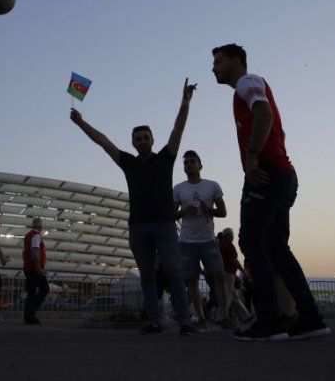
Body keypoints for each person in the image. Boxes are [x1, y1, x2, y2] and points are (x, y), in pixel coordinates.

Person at [210, 43, 329, 341]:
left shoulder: (247, 83)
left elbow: (264, 113)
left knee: (252, 242)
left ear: (237, 62)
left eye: (219, 61)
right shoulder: (251, 87)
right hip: (282, 174)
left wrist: (252, 156)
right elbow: (279, 129)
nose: (214, 68)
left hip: (266, 174)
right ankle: (310, 319)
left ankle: (269, 322)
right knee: (277, 247)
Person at [70, 79, 199, 336]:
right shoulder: (127, 162)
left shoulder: (166, 158)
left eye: (145, 137)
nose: (141, 141)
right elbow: (103, 141)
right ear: (132, 143)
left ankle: (185, 320)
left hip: (164, 225)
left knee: (174, 271)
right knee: (147, 276)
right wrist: (81, 122)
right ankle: (154, 320)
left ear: (152, 140)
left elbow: (178, 129)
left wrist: (184, 102)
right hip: (138, 226)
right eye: (137, 138)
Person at [173, 150, 230, 328]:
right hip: (186, 242)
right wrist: (183, 211)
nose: (189, 164)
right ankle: (201, 317)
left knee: (218, 277)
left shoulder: (212, 186)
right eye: (186, 162)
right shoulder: (179, 188)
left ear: (200, 165)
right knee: (192, 280)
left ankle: (224, 316)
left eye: (192, 161)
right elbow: (170, 214)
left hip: (208, 240)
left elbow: (223, 212)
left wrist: (209, 210)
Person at [217, 228, 253, 324]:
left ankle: (246, 316)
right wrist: (244, 272)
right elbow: (235, 261)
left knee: (234, 297)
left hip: (222, 272)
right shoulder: (229, 245)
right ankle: (223, 318)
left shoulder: (219, 244)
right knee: (228, 297)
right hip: (229, 273)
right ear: (229, 236)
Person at [22, 218, 49, 324]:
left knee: (31, 292)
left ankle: (28, 316)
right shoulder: (36, 236)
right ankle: (30, 312)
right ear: (40, 227)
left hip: (28, 268)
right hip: (34, 269)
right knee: (45, 289)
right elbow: (35, 250)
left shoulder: (28, 235)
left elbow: (25, 252)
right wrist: (38, 268)